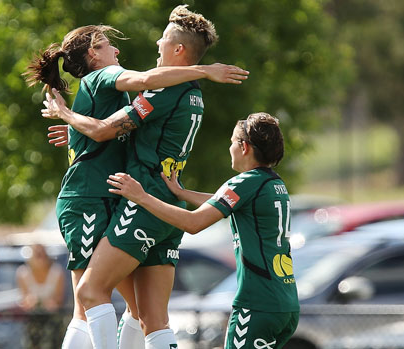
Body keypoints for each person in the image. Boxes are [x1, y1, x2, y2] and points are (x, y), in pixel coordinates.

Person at [25, 19, 248, 349]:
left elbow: (108, 125)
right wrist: (77, 129)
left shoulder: (162, 87)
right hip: (154, 201)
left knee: (87, 298)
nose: (156, 43)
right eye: (106, 43)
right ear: (93, 54)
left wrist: (68, 116)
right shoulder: (190, 91)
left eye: (164, 38)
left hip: (137, 200)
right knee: (147, 316)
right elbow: (113, 127)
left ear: (178, 49)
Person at [107, 112, 300, 349]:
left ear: (244, 147)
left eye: (232, 142)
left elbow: (193, 223)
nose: (229, 148)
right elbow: (224, 203)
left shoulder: (244, 182)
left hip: (257, 304)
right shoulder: (273, 184)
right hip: (286, 304)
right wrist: (182, 193)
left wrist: (141, 197)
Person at [16, 243, 66, 348]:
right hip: (32, 320)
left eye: (42, 254)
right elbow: (24, 299)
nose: (40, 258)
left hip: (53, 321)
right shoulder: (23, 273)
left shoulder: (56, 271)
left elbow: (59, 299)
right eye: (37, 255)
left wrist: (52, 303)